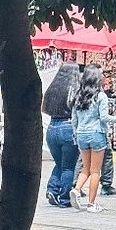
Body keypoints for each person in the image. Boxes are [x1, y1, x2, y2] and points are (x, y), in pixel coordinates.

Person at [70, 64, 109, 211]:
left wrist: (75, 136)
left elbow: (74, 120)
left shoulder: (79, 96)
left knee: (85, 169)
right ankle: (92, 204)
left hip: (81, 135)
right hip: (96, 134)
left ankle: (77, 189)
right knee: (95, 171)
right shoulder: (101, 96)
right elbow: (104, 118)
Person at [42, 64, 79, 208]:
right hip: (68, 127)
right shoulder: (75, 89)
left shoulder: (53, 89)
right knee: (68, 167)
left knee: (60, 163)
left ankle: (52, 189)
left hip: (52, 127)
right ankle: (64, 198)